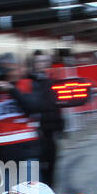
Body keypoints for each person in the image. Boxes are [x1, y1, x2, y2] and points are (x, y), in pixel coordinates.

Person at [0, 53, 43, 189]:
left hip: (25, 152)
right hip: (1, 155)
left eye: (12, 69)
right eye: (7, 71)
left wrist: (11, 90)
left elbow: (33, 108)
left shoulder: (26, 85)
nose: (10, 74)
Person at [27, 51, 66, 186]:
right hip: (33, 135)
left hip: (49, 133)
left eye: (44, 61)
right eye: (38, 61)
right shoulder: (27, 83)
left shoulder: (51, 82)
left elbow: (57, 106)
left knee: (51, 167)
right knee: (35, 170)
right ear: (32, 64)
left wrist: (60, 126)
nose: (42, 64)